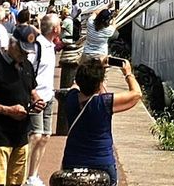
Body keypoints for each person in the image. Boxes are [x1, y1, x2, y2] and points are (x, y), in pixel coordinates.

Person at [0, 24, 45, 186]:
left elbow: (31, 89)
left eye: (27, 51)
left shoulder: (26, 65)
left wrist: (36, 100)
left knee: (16, 181)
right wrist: (8, 110)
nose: (25, 54)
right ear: (12, 44)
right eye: (22, 50)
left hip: (21, 133)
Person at [61, 57, 142, 186]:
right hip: (101, 162)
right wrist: (128, 73)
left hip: (72, 161)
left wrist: (94, 69)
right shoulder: (104, 103)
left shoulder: (70, 98)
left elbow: (76, 84)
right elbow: (136, 94)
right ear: (99, 84)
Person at [25, 14, 59, 186]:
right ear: (55, 29)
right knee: (35, 135)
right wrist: (32, 93)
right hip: (36, 96)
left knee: (45, 136)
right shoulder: (37, 46)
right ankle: (20, 173)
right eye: (58, 25)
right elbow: (26, 69)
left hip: (48, 95)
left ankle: (33, 176)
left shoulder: (51, 45)